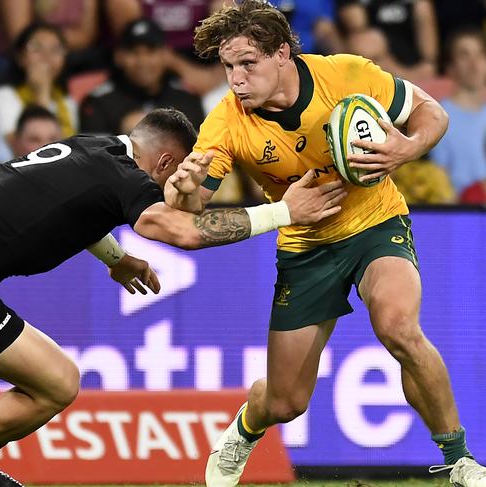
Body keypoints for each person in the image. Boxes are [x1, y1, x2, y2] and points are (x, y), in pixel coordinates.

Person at [0, 108, 346, 487]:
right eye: (177, 176)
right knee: (57, 383)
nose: (178, 187)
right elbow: (183, 232)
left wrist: (116, 259)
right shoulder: (126, 178)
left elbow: (74, 209)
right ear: (166, 160)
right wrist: (285, 213)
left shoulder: (92, 146)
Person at [164, 2, 486, 486]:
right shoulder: (227, 122)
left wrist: (407, 147)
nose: (235, 79)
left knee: (398, 326)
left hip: (375, 221)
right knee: (286, 403)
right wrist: (185, 188)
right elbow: (188, 213)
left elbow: (430, 112)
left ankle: (460, 461)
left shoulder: (345, 74)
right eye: (228, 66)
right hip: (305, 247)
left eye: (247, 63)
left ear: (282, 54)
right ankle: (245, 429)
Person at [79, 18, 204, 135]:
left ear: (166, 55)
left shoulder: (187, 100)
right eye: (134, 52)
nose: (143, 62)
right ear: (118, 56)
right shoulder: (98, 102)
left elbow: (201, 151)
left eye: (151, 52)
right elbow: (92, 154)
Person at [0, 22, 76, 164]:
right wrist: (41, 91)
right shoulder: (3, 96)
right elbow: (21, 150)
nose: (46, 56)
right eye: (36, 48)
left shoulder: (68, 102)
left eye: (56, 49)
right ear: (20, 57)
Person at [429, 29, 486, 200]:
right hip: (460, 214)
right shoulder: (438, 117)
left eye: (480, 54)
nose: (474, 63)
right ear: (450, 67)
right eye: (464, 55)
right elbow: (439, 182)